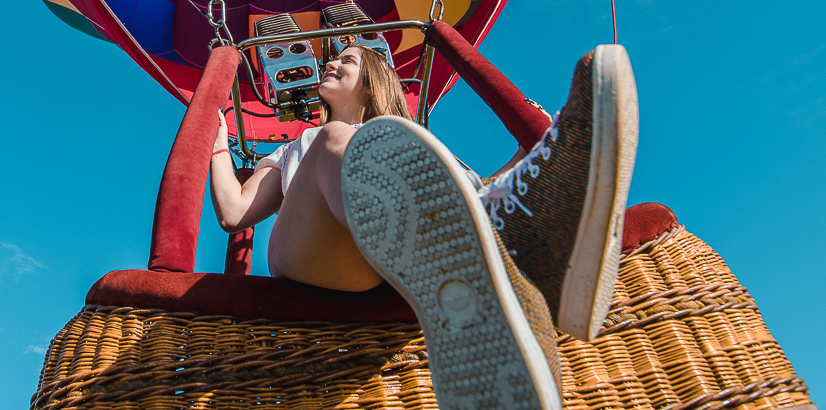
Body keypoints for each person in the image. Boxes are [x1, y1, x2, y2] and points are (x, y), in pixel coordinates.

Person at [208, 43, 639, 410]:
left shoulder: (413, 147)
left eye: (347, 60)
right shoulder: (299, 146)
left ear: (373, 81)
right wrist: (218, 143)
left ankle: (505, 273)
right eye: (333, 60)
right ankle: (527, 258)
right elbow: (234, 212)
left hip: (391, 261)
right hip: (320, 253)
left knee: (448, 188)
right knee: (333, 139)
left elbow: (473, 198)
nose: (330, 64)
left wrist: (520, 159)